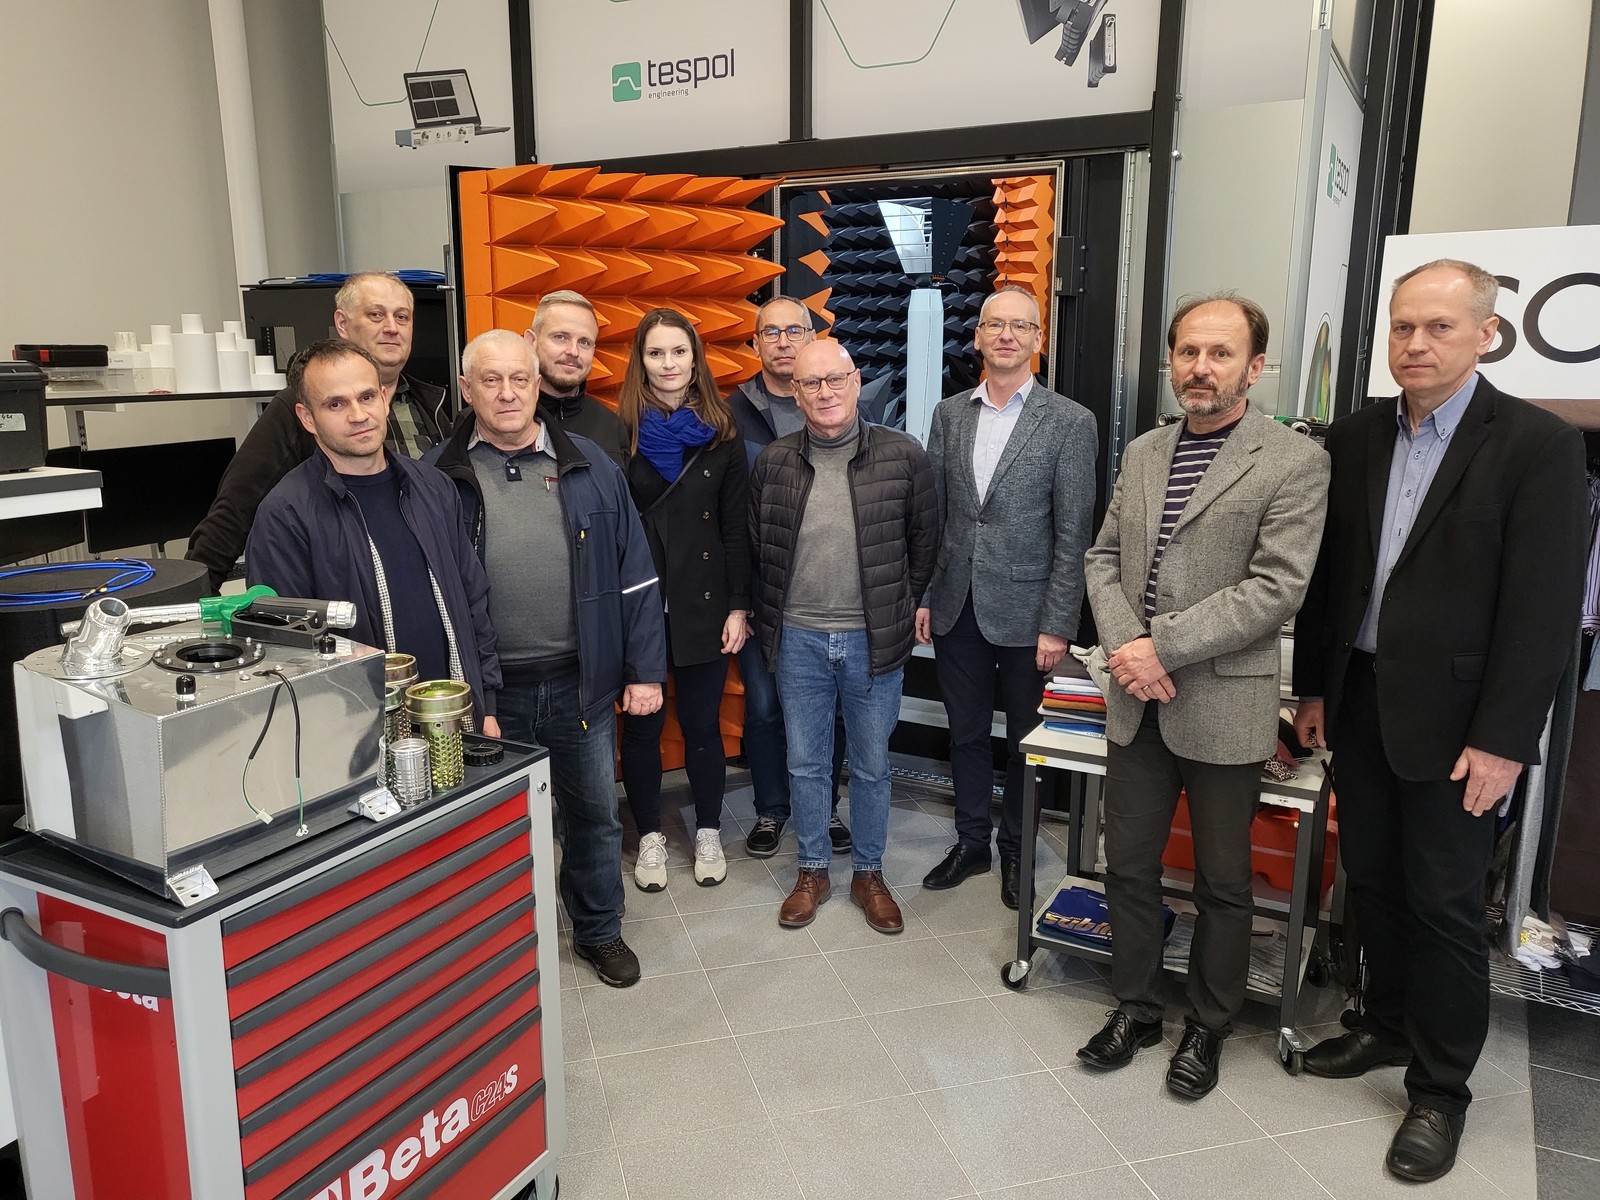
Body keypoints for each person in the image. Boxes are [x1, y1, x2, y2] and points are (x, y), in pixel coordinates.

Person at [1291, 260, 1587, 1182]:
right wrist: (1312, 690)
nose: (1415, 344)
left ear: (1487, 334)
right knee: (1373, 883)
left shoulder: (1537, 444)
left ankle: (1440, 1090)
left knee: (1447, 905)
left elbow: (1543, 613)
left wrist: (1504, 740)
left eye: (1439, 328)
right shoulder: (1356, 435)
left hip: (1463, 727)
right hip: (1361, 700)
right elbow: (1331, 580)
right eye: (1402, 327)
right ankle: (1383, 1025)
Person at [1078, 292, 1328, 1100]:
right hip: (1136, 698)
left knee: (1223, 882)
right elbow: (1103, 559)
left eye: (1220, 353)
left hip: (1222, 701)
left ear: (1255, 368)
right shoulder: (1146, 450)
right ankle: (1137, 1006)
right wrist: (1130, 651)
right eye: (1188, 351)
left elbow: (1276, 588)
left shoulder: (1292, 461)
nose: (1200, 367)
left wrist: (1162, 646)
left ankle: (1209, 1025)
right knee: (1128, 866)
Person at [428, 329, 666, 988]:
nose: (507, 393)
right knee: (490, 827)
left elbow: (636, 574)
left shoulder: (592, 466)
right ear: (467, 388)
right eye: (491, 380)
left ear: (538, 385)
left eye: (519, 379)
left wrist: (645, 670)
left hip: (578, 683)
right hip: (487, 695)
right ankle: (497, 944)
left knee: (594, 818)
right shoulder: (433, 476)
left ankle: (599, 930)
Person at [916, 284, 1098, 910]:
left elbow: (1074, 533)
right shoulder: (949, 414)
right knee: (965, 732)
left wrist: (1059, 622)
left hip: (1029, 613)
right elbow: (936, 515)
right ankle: (972, 842)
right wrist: (925, 594)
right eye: (995, 324)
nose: (1006, 335)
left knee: (1027, 738)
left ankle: (1016, 846)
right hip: (955, 602)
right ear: (978, 336)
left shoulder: (1070, 421)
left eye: (1021, 326)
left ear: (1038, 340)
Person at [749, 339, 939, 933]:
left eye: (835, 379)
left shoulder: (903, 455)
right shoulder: (774, 461)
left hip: (872, 640)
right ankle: (812, 870)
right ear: (796, 392)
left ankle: (869, 872)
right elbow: (759, 545)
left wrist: (901, 605)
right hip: (799, 638)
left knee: (873, 764)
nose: (825, 392)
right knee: (805, 762)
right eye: (811, 383)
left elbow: (925, 541)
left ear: (857, 382)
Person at [245, 339, 498, 734]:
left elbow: (473, 597)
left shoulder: (434, 488)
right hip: (357, 735)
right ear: (307, 418)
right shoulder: (285, 515)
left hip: (453, 717)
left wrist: (487, 704)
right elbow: (286, 652)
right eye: (336, 404)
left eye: (366, 397)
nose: (359, 415)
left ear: (384, 398)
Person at [189, 272, 451, 591]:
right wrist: (192, 603)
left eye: (402, 317)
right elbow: (234, 512)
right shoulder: (295, 409)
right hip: (344, 596)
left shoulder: (431, 405)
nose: (392, 328)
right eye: (375, 315)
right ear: (342, 323)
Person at [615, 309, 751, 891]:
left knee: (700, 724)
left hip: (704, 604)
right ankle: (649, 835)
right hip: (640, 606)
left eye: (678, 352)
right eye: (656, 353)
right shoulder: (621, 432)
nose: (668, 364)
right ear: (640, 361)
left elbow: (735, 527)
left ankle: (709, 830)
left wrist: (738, 606)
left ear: (695, 359)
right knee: (642, 727)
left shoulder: (722, 433)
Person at [730, 295, 849, 858]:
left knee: (832, 709)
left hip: (829, 597)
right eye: (770, 332)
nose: (782, 342)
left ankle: (824, 810)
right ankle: (772, 809)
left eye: (793, 330)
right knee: (764, 707)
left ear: (812, 336)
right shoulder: (731, 412)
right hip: (763, 593)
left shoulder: (835, 402)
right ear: (755, 343)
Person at [525, 290, 629, 470]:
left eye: (584, 342)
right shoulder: (501, 418)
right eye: (560, 337)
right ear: (531, 341)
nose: (573, 351)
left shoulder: (612, 427)